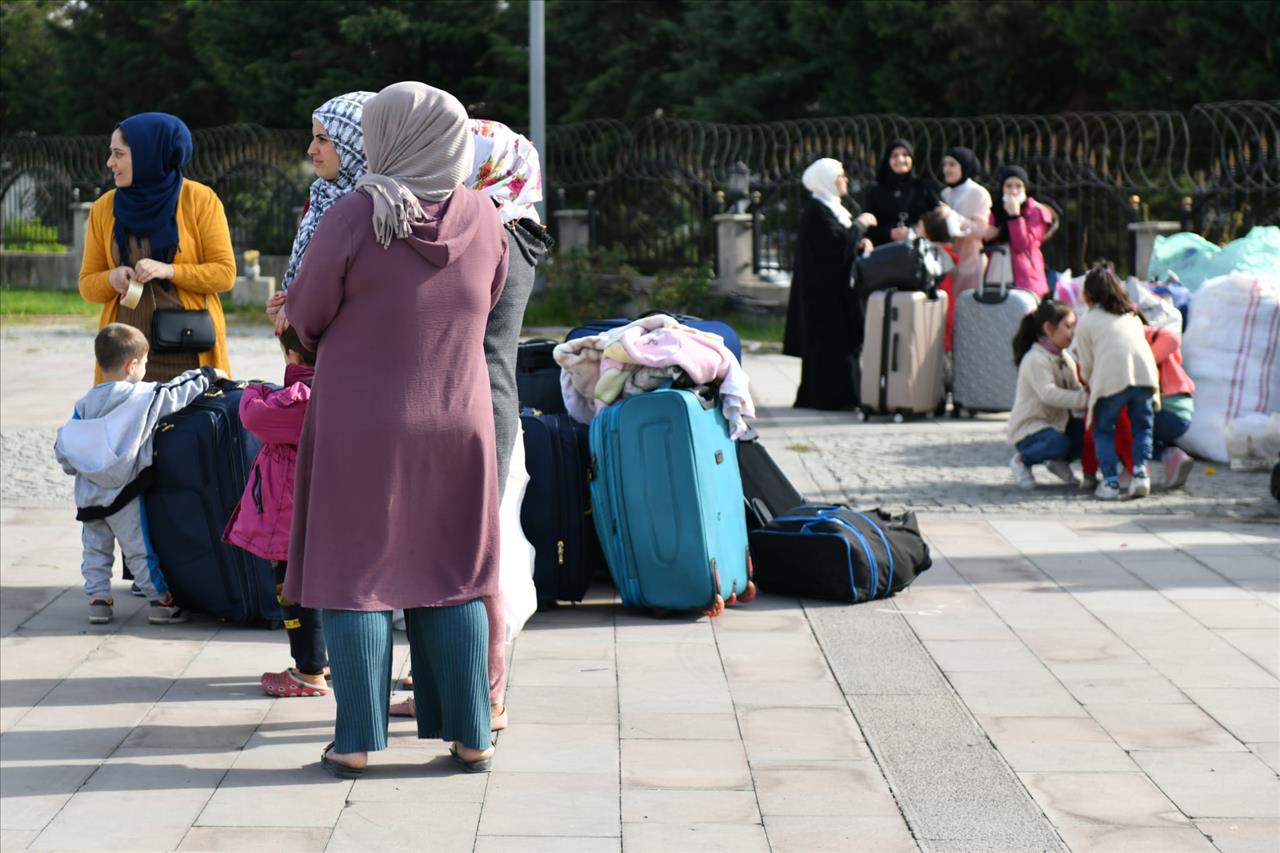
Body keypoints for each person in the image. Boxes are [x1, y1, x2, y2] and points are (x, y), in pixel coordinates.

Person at [284, 81, 508, 777]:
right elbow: (491, 297)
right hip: (460, 415)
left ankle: (355, 739)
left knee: (356, 571)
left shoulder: (359, 212)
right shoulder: (486, 215)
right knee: (455, 567)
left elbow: (308, 309)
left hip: (363, 419)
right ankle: (473, 734)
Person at [389, 118, 550, 728]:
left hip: (473, 427)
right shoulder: (511, 227)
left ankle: (481, 697)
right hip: (475, 424)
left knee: (471, 560)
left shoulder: (496, 235)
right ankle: (454, 691)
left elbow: (473, 347)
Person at [54, 323, 225, 624]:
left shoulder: (86, 402)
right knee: (139, 550)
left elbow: (70, 445)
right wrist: (209, 374)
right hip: (124, 495)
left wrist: (77, 469)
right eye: (145, 363)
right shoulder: (140, 397)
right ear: (132, 365)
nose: (145, 368)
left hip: (89, 495)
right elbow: (176, 391)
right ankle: (160, 601)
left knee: (95, 550)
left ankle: (98, 600)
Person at [79, 113, 235, 384]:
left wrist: (170, 270)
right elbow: (87, 285)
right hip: (124, 360)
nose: (110, 163)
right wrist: (110, 278)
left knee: (191, 424)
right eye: (111, 154)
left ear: (147, 155)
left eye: (118, 154)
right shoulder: (103, 208)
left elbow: (224, 274)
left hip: (188, 352)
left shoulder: (200, 200)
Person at [222, 327, 325, 696]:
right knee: (318, 590)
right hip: (320, 514)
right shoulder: (337, 387)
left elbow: (253, 415)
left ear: (292, 356)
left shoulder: (300, 399)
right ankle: (320, 661)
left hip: (290, 519)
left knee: (292, 592)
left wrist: (252, 388)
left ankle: (308, 671)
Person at [782, 157, 875, 410]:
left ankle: (844, 396)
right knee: (828, 346)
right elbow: (835, 245)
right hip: (822, 294)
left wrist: (859, 242)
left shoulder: (832, 207)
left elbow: (842, 244)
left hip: (834, 291)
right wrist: (860, 225)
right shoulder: (816, 211)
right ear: (825, 181)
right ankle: (828, 400)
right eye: (839, 177)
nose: (844, 181)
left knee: (840, 344)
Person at [1073, 266, 1160, 500]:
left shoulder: (1088, 321)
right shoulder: (1131, 316)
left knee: (1103, 429)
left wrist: (1092, 386)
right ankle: (1141, 474)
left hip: (1111, 379)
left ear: (1088, 294)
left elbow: (1087, 364)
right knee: (1142, 427)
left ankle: (1110, 482)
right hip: (1144, 377)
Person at [1007, 300, 1087, 489]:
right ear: (1049, 328)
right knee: (1057, 442)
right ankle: (1021, 460)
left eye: (1073, 326)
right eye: (1067, 326)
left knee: (1087, 433)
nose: (1072, 332)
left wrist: (1088, 395)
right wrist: (1084, 399)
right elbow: (1048, 393)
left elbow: (1074, 388)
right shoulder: (1035, 358)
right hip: (1031, 429)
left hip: (1057, 425)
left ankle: (1058, 461)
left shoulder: (1065, 358)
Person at [984, 165, 1053, 298]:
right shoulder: (996, 211)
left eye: (1018, 186)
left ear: (1025, 188)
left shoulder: (1036, 211)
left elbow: (1022, 245)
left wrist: (1015, 217)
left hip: (1026, 280)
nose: (1013, 191)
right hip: (998, 276)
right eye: (1008, 186)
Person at [1145, 324, 1196, 489]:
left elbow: (1172, 339)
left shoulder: (1139, 332)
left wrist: (1145, 366)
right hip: (1181, 410)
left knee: (1126, 432)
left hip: (1169, 410)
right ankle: (1173, 456)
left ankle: (1165, 457)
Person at [862, 139, 939, 247]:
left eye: (905, 154)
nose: (900, 159)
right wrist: (890, 233)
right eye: (894, 155)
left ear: (912, 159)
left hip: (920, 249)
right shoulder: (875, 191)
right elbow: (867, 226)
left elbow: (937, 220)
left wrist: (914, 231)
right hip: (884, 252)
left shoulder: (926, 187)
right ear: (888, 160)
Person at [939, 147, 991, 294]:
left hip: (970, 263)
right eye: (945, 165)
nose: (946, 169)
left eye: (952, 164)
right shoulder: (945, 193)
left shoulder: (978, 193)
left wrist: (952, 216)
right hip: (948, 262)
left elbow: (981, 230)